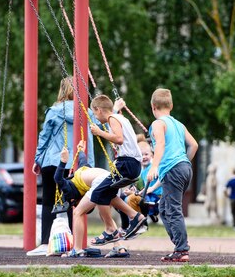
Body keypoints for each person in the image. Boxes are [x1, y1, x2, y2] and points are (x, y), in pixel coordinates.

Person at [70, 95, 145, 253]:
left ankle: (111, 230)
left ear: (98, 109)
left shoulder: (113, 118)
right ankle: (135, 217)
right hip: (133, 165)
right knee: (106, 193)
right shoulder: (117, 117)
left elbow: (118, 139)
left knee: (98, 193)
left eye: (95, 113)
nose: (95, 118)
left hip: (126, 164)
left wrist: (99, 133)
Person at [30, 77, 95, 256]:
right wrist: (89, 165)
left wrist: (37, 159)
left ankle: (44, 242)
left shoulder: (54, 111)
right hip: (76, 162)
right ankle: (76, 243)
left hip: (53, 160)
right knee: (75, 202)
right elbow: (90, 138)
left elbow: (45, 136)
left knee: (48, 200)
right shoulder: (87, 112)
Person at [147, 88, 198, 262]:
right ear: (171, 106)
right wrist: (184, 162)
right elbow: (194, 145)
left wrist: (154, 165)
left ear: (153, 107)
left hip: (173, 169)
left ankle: (182, 250)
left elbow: (160, 143)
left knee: (173, 209)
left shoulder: (158, 124)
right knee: (163, 208)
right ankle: (179, 246)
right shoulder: (178, 124)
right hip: (185, 168)